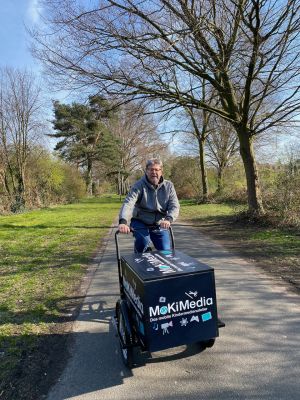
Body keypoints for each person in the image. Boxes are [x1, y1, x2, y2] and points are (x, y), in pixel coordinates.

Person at [118, 158, 180, 253]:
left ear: (161, 171)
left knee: (165, 250)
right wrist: (123, 221)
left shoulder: (169, 186)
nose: (153, 172)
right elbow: (128, 203)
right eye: (151, 170)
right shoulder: (138, 185)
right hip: (140, 221)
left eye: (156, 170)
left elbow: (174, 205)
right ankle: (139, 253)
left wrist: (169, 219)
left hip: (159, 223)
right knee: (143, 241)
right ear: (146, 171)